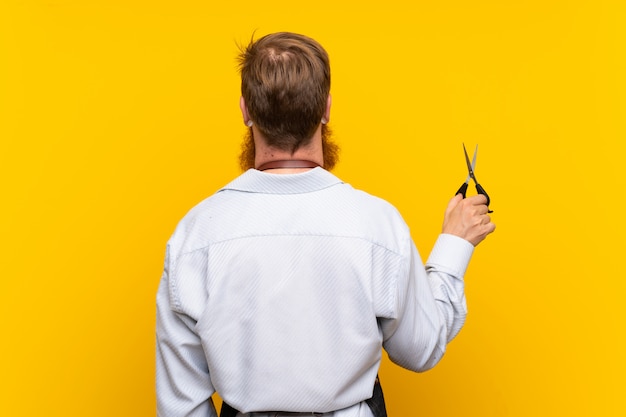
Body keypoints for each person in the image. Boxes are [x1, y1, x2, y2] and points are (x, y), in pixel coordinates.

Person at [156, 32, 496, 417]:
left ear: (245, 110)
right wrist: (455, 244)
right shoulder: (375, 224)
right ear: (326, 108)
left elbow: (180, 406)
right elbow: (421, 348)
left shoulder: (195, 234)